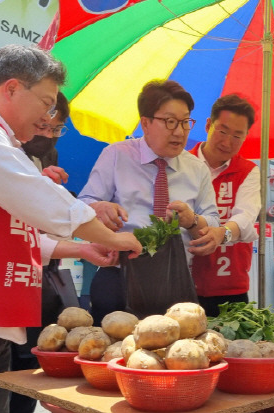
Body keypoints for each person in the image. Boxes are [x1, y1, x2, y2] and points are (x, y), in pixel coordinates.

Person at [0, 44, 142, 413]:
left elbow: (19, 231)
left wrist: (82, 248)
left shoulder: (5, 144)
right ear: (12, 88)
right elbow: (36, 197)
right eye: (46, 102)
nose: (48, 116)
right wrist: (109, 236)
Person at [78, 79, 221, 324]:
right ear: (145, 122)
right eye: (170, 122)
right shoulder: (116, 155)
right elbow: (82, 206)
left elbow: (213, 223)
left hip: (174, 281)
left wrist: (191, 220)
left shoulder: (197, 169)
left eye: (186, 121)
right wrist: (99, 208)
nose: (180, 131)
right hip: (119, 275)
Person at [9, 91, 74, 413]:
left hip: (39, 277)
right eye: (43, 127)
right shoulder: (5, 153)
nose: (47, 136)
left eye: (57, 129)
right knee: (9, 367)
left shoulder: (49, 155)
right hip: (8, 275)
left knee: (29, 367)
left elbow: (46, 223)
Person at [189, 94, 261, 317]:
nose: (227, 142)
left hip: (230, 290)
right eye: (222, 131)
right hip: (182, 285)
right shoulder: (182, 164)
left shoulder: (248, 171)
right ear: (209, 125)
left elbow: (246, 216)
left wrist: (224, 233)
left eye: (237, 136)